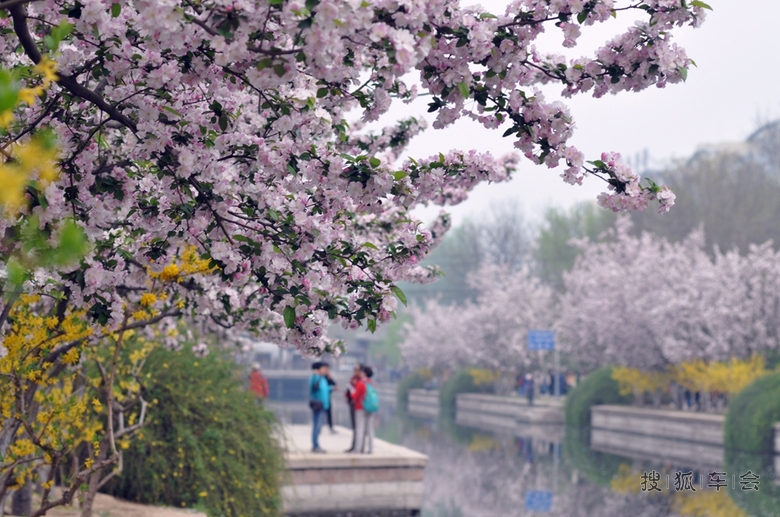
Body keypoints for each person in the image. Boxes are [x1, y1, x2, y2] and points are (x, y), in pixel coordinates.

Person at [308, 362, 331, 453]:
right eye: (324, 368)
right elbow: (312, 388)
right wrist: (315, 375)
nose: (326, 370)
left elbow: (324, 389)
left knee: (319, 426)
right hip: (318, 406)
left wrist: (332, 388)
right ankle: (315, 445)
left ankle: (316, 444)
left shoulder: (322, 379)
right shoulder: (315, 378)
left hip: (323, 406)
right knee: (317, 426)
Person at [359, 366, 378, 454]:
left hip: (363, 407)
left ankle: (360, 448)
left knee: (361, 428)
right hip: (372, 407)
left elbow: (358, 395)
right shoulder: (373, 383)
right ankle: (371, 449)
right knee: (370, 429)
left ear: (364, 373)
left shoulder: (362, 383)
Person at [344, 364, 362, 453]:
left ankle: (358, 446)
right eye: (354, 369)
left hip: (358, 406)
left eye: (357, 370)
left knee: (358, 428)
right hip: (352, 404)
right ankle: (354, 446)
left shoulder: (360, 381)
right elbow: (348, 390)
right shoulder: (353, 379)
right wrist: (347, 397)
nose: (356, 371)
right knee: (354, 427)